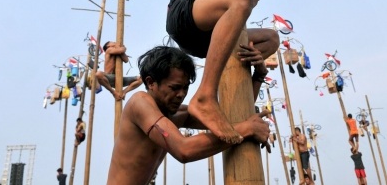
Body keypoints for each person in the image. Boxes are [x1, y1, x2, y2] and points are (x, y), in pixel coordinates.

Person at [106, 46, 272, 185]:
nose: (181, 94)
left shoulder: (176, 114)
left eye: (185, 88)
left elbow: (230, 118)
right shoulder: (139, 102)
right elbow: (184, 150)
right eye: (175, 87)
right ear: (150, 82)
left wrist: (258, 76)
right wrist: (247, 129)